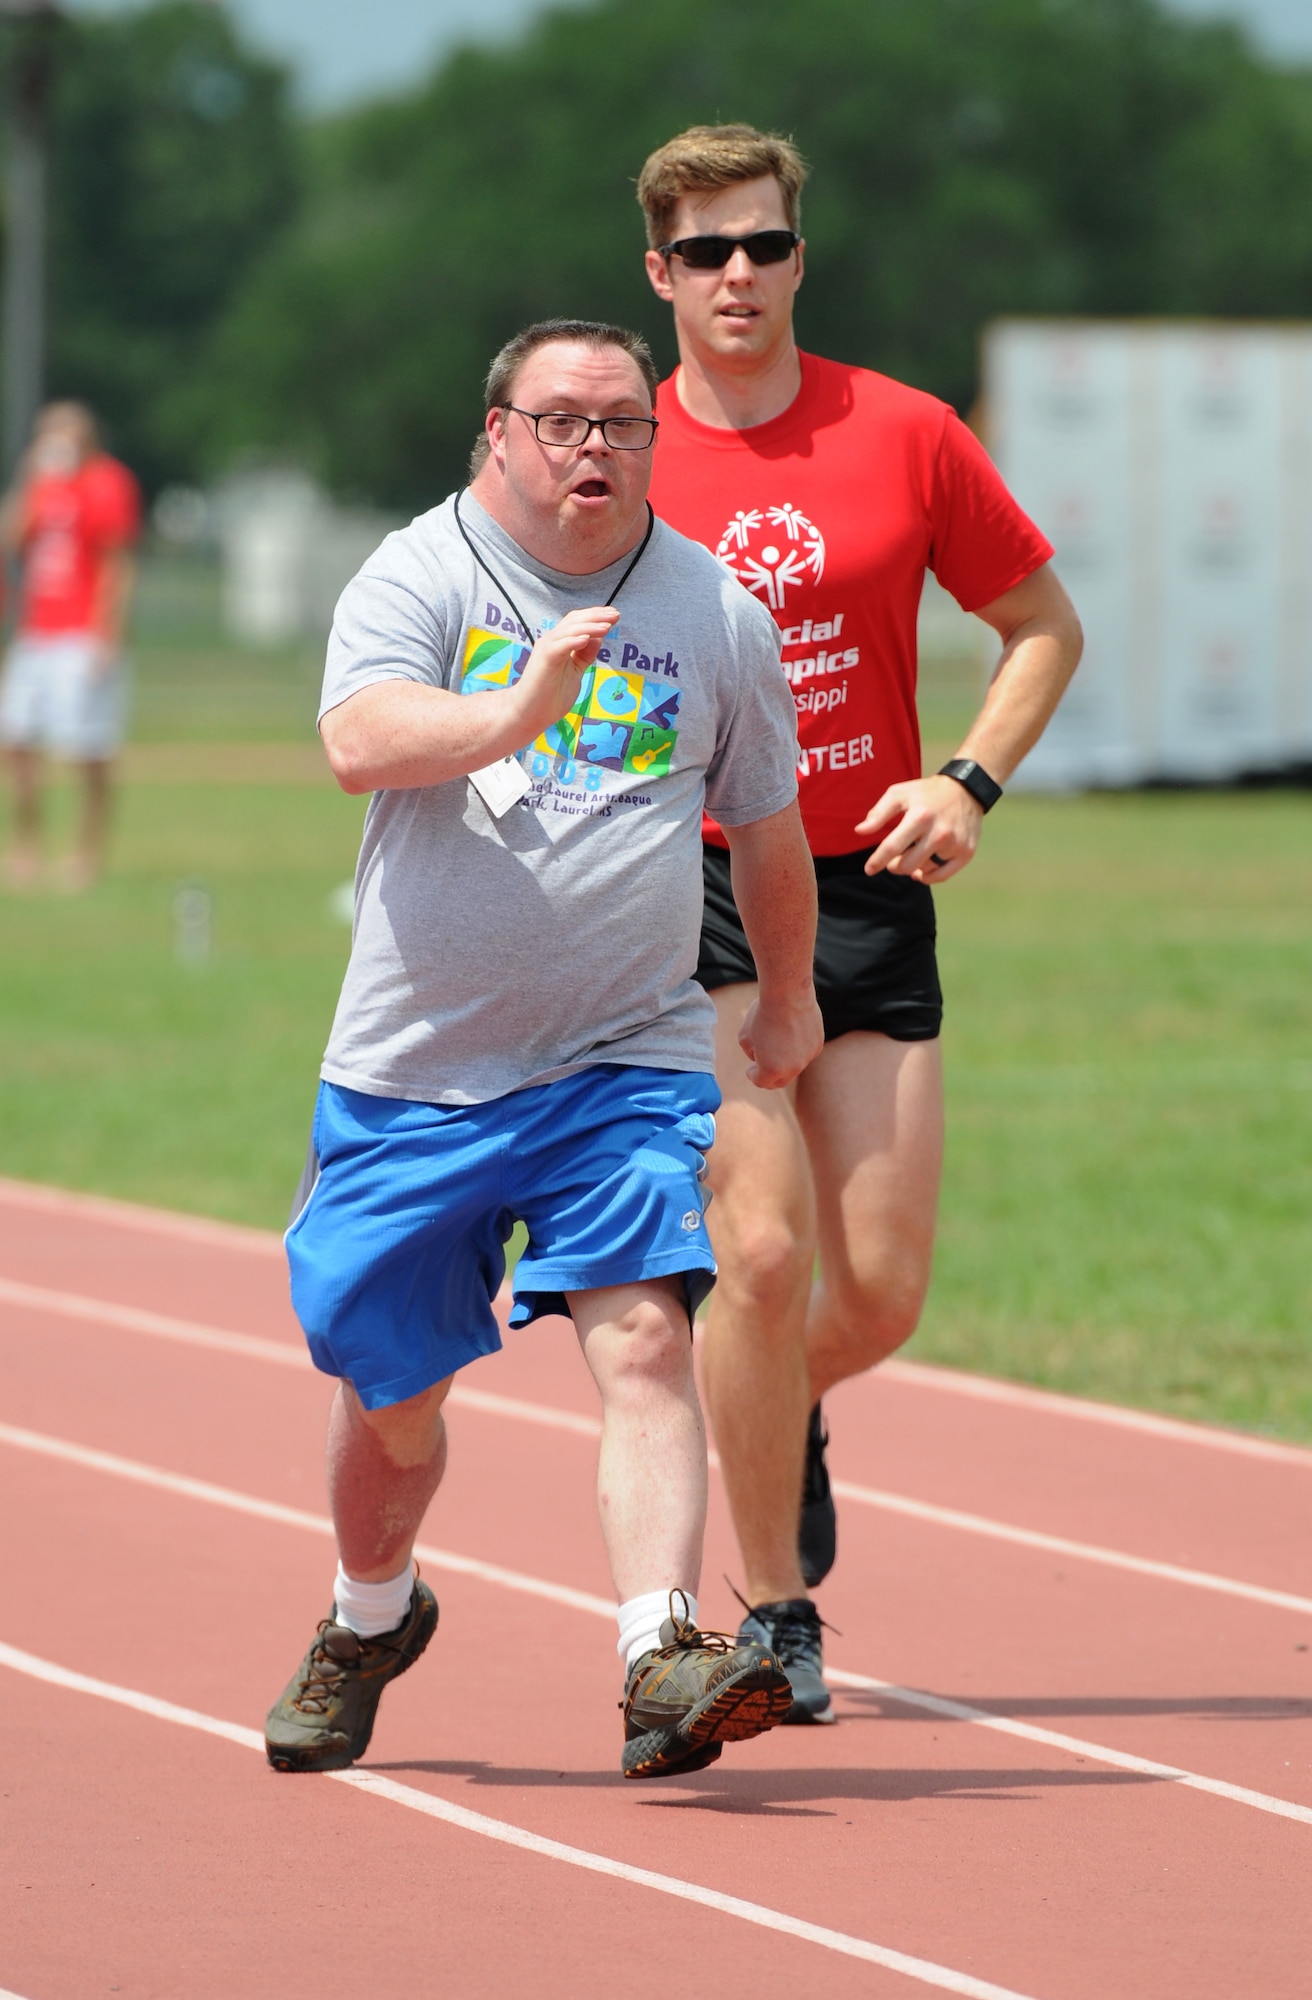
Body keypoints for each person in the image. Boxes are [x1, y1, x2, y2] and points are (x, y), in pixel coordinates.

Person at [265, 318, 825, 1782]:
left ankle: (659, 1652)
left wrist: (784, 995)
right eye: (564, 421)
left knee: (643, 1336)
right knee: (392, 1406)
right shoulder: (423, 570)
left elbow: (764, 821)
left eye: (624, 423)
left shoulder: (711, 609)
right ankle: (369, 1615)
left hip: (620, 1055)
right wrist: (517, 705)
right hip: (418, 1069)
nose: (596, 447)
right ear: (498, 433)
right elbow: (358, 741)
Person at [637, 125, 1084, 1721]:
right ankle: (776, 1613)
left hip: (866, 886)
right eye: (704, 253)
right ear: (658, 275)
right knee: (754, 1252)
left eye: (760, 245)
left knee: (876, 1288)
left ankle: (775, 1411)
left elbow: (1040, 624)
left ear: (798, 258)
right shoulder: (613, 451)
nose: (736, 275)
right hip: (690, 882)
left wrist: (964, 776)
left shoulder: (901, 431)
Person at [0, 401, 140, 891]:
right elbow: (10, 539)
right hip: (36, 632)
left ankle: (86, 851)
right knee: (15, 738)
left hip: (83, 635)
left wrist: (107, 633)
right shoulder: (41, 486)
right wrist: (27, 479)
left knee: (88, 748)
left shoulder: (106, 482)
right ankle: (27, 846)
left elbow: (117, 561)